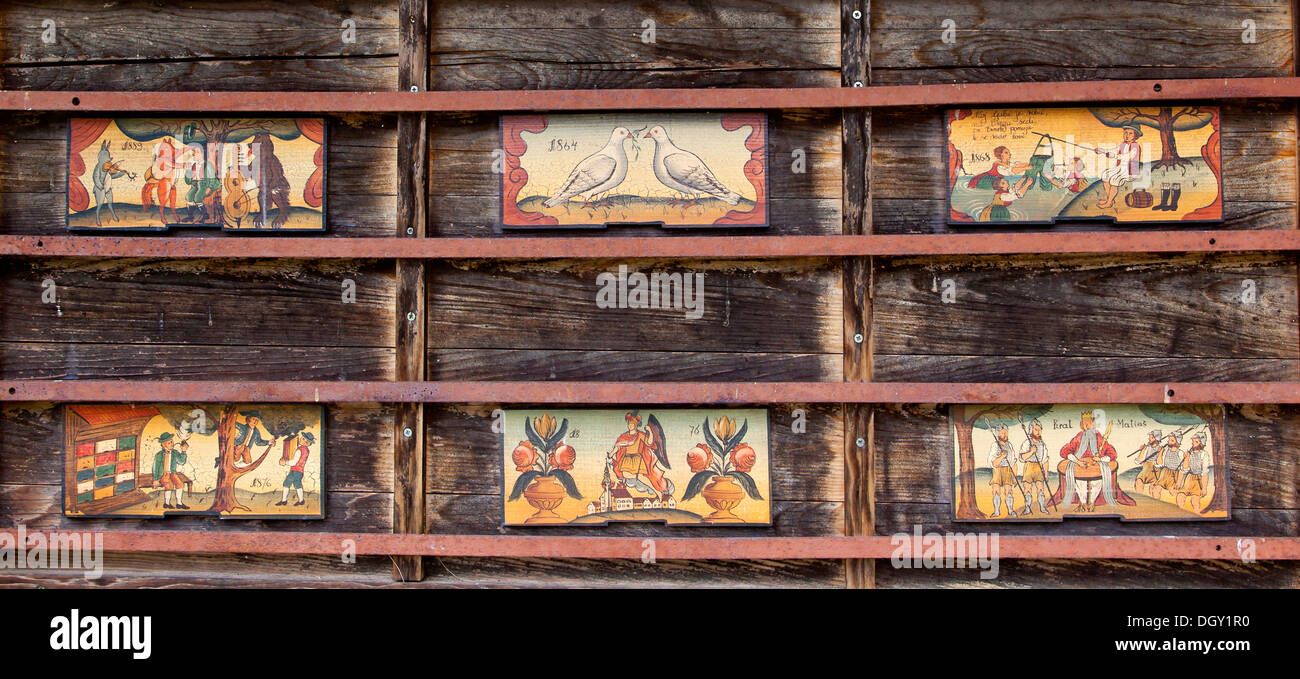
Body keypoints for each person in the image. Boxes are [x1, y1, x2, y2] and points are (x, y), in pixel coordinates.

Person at [1052, 410, 1135, 511]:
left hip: (1096, 466)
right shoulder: (1078, 438)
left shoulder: (1100, 439)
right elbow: (1065, 451)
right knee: (1079, 482)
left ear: (1093, 424)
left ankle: (1091, 503)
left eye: (1089, 424)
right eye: (1084, 424)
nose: (1087, 427)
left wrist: (1100, 459)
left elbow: (1112, 454)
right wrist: (1077, 461)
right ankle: (1082, 503)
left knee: (1097, 480)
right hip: (1079, 466)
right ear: (1082, 425)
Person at [607, 412, 671, 500]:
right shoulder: (624, 436)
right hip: (626, 460)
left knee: (643, 477)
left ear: (636, 425)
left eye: (632, 424)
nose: (630, 425)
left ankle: (657, 493)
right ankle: (646, 492)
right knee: (624, 475)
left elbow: (649, 443)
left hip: (638, 459)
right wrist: (610, 455)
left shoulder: (640, 435)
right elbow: (617, 448)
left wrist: (650, 431)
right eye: (629, 424)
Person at [1096, 125, 1143, 209]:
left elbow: (1127, 156)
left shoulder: (1135, 146)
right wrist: (1102, 151)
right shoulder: (1123, 144)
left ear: (1135, 135)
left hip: (1129, 171)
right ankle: (1109, 200)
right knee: (1105, 175)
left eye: (1130, 133)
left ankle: (1109, 202)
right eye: (1125, 133)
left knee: (1115, 179)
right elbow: (1113, 150)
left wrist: (1115, 156)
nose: (1127, 135)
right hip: (1120, 168)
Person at [1017, 420, 1051, 515]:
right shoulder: (1027, 442)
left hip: (1039, 466)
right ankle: (1027, 508)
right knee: (1027, 488)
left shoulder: (1042, 444)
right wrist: (1031, 452)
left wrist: (1046, 472)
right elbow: (1022, 457)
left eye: (1040, 430)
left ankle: (1042, 507)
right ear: (1031, 430)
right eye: (1036, 429)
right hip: (1029, 466)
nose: (1038, 432)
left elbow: (1045, 459)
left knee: (1040, 488)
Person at [151, 432, 191, 510]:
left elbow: (182, 462)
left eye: (172, 442)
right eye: (169, 443)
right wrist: (156, 479)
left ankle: (179, 503)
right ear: (163, 445)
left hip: (172, 473)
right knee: (169, 485)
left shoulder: (175, 452)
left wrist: (183, 451)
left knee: (179, 484)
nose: (172, 444)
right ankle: (167, 503)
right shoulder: (159, 455)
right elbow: (155, 467)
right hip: (163, 474)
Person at [967, 145, 1033, 189]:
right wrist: (1025, 168)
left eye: (1009, 152)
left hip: (995, 182)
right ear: (1001, 155)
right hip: (985, 181)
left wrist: (1027, 165)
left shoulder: (1008, 164)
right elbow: (1012, 170)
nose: (1009, 154)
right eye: (1006, 152)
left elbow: (1016, 165)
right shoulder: (998, 166)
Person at [276, 431, 314, 507]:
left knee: (287, 484)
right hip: (299, 471)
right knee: (297, 484)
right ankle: (300, 500)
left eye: (303, 438)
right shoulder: (306, 450)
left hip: (295, 470)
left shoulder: (299, 450)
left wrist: (285, 462)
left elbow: (293, 462)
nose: (300, 439)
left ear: (307, 442)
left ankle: (285, 500)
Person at [987, 426, 1019, 517]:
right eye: (1002, 433)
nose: (1005, 435)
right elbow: (992, 463)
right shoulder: (995, 445)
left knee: (1009, 491)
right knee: (996, 491)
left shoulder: (1009, 445)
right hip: (997, 470)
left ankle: (1010, 510)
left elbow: (1013, 461)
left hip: (1007, 470)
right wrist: (1001, 456)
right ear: (998, 434)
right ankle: (997, 511)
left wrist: (1015, 476)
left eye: (1006, 432)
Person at [1177, 433, 1209, 512]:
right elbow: (1184, 469)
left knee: (1195, 500)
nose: (1193, 443)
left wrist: (1204, 488)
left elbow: (1205, 472)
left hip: (1199, 480)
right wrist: (1186, 459)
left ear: (1201, 443)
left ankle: (1196, 516)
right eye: (1193, 441)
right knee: (1180, 497)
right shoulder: (1189, 454)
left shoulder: (1204, 454)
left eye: (1196, 441)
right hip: (1189, 479)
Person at [1155, 431, 1184, 500]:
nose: (1169, 441)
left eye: (1172, 440)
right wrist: (1160, 453)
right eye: (1169, 440)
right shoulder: (1166, 451)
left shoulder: (1180, 453)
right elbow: (1160, 463)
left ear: (1177, 442)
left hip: (1174, 474)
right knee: (1156, 489)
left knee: (1173, 492)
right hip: (1165, 473)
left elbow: (1182, 470)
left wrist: (1178, 483)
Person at [1133, 429, 1162, 495]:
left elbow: (1159, 463)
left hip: (1155, 470)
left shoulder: (1161, 448)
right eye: (1149, 437)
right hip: (1145, 469)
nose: (1149, 439)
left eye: (1152, 437)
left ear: (1157, 439)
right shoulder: (1147, 448)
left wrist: (1160, 452)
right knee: (1138, 481)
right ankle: (1139, 499)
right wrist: (1142, 450)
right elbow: (1138, 461)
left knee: (1153, 488)